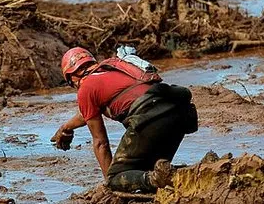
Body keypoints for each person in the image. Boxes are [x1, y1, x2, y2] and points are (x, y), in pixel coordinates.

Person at [51, 47, 198, 192]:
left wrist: (110, 183)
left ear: (72, 78)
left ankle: (154, 179)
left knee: (118, 177)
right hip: (179, 110)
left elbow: (101, 143)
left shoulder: (86, 88)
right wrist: (66, 127)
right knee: (148, 169)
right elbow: (87, 114)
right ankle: (192, 173)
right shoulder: (114, 65)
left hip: (150, 115)